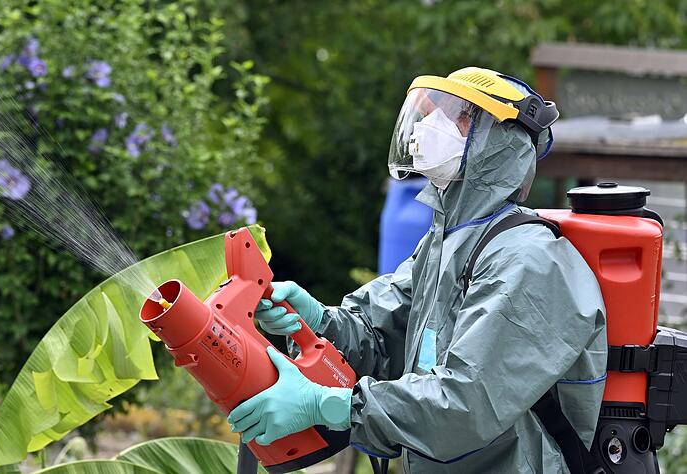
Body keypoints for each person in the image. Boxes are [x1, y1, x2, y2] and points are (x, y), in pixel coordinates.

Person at [227, 67, 608, 472]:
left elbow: (466, 405)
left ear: (500, 141)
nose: (431, 125)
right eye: (429, 113)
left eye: (457, 115)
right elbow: (382, 335)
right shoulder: (447, 244)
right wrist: (318, 321)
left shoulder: (528, 261)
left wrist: (332, 405)